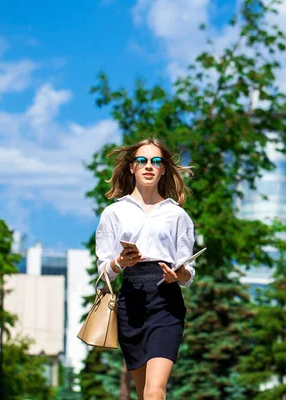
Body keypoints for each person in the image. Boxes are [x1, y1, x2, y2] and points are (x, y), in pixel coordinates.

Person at [95, 138, 196, 400]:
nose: (148, 166)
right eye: (141, 161)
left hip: (166, 302)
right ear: (131, 168)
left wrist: (179, 275)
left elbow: (188, 272)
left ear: (163, 169)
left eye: (156, 161)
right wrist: (121, 262)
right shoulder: (114, 213)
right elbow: (103, 270)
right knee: (143, 394)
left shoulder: (177, 215)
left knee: (154, 391)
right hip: (132, 302)